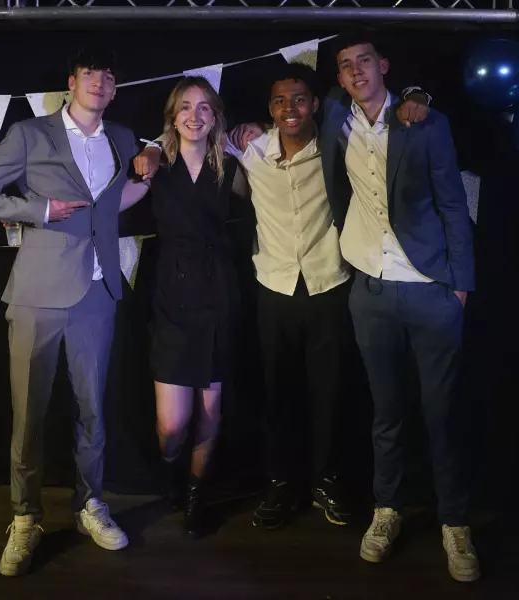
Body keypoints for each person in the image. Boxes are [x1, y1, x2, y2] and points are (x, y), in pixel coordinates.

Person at [135, 64, 430, 531]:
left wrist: (416, 92)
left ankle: (326, 482)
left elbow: (373, 113)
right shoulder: (250, 149)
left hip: (328, 283)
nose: (289, 108)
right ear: (269, 110)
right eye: (279, 101)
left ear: (315, 105)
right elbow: (189, 132)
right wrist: (152, 146)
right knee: (276, 395)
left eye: (298, 99)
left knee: (331, 394)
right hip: (272, 286)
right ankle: (280, 484)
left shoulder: (338, 146)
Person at [0, 47, 149, 576]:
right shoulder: (29, 134)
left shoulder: (123, 137)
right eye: (90, 74)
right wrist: (37, 209)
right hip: (37, 292)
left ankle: (91, 504)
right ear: (72, 82)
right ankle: (25, 517)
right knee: (30, 414)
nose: (100, 82)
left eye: (108, 76)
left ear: (115, 89)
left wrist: (152, 164)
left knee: (94, 411)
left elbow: (112, 202)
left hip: (98, 291)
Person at [322, 31, 479, 582]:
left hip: (431, 286)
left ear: (383, 65)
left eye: (364, 60)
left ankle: (454, 521)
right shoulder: (334, 117)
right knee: (385, 413)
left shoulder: (425, 121)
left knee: (442, 413)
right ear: (339, 78)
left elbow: (454, 204)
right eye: (346, 65)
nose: (356, 71)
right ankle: (386, 510)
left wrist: (459, 285)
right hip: (370, 289)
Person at [133, 76, 248, 538]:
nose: (194, 115)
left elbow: (273, 196)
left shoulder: (230, 166)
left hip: (218, 294)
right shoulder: (156, 163)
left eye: (204, 107)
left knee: (210, 411)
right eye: (185, 106)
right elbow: (114, 200)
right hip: (172, 297)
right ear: (172, 115)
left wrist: (256, 135)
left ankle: (196, 495)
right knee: (172, 423)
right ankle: (170, 471)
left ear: (215, 116)